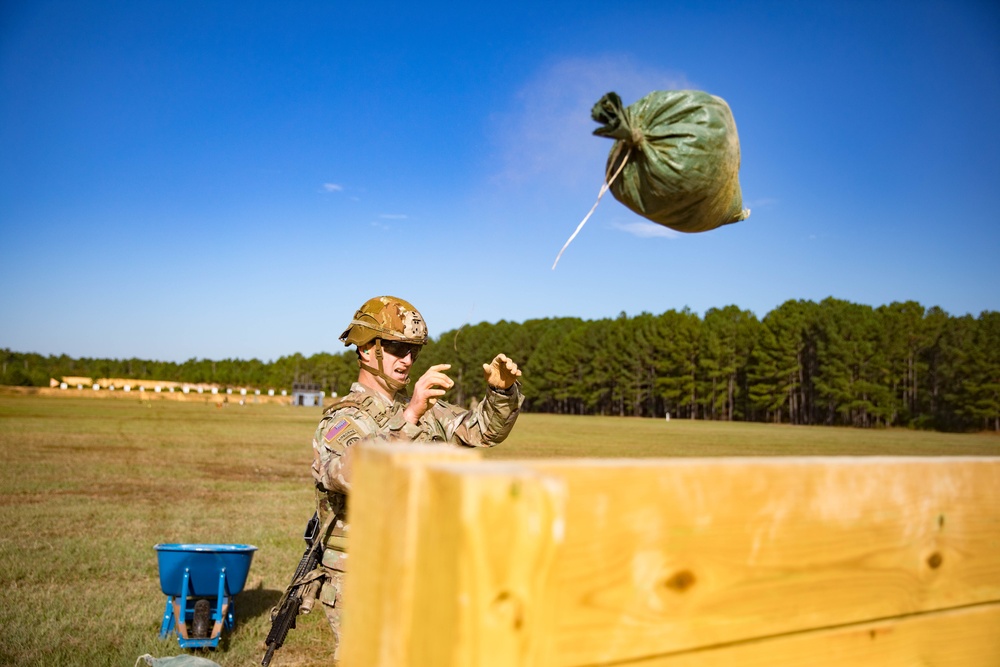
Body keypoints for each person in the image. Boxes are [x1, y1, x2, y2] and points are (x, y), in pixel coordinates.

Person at [309, 295, 523, 657]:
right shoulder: (343, 419)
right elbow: (345, 473)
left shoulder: (426, 410)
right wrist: (408, 418)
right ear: (365, 349)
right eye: (396, 348)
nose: (407, 360)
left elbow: (483, 430)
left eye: (414, 351)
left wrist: (500, 393)